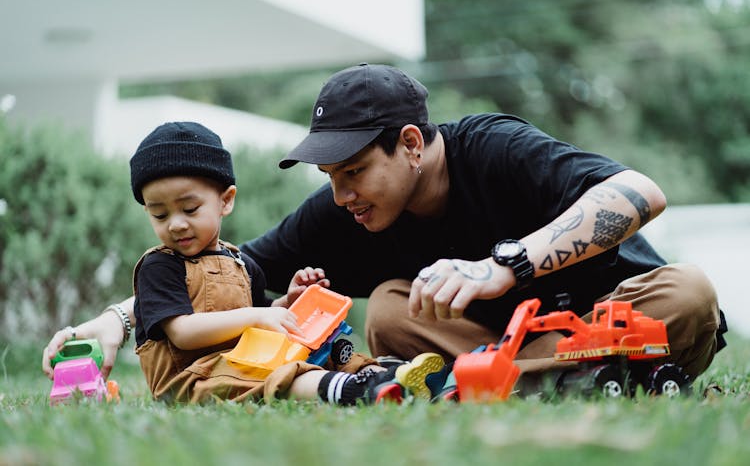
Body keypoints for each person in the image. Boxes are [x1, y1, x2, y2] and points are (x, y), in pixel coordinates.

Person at [44, 64, 726, 395]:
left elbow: (641, 190)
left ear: (408, 143)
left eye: (351, 172)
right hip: (489, 344)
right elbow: (234, 269)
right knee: (393, 309)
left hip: (605, 323)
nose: (340, 194)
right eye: (328, 177)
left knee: (689, 292)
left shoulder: (493, 147)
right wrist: (113, 319)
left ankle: (517, 382)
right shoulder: (347, 208)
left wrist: (504, 266)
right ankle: (548, 386)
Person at [50, 120, 443, 405]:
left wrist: (284, 306)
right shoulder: (160, 267)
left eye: (189, 207)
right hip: (194, 378)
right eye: (159, 214)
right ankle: (347, 390)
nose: (176, 223)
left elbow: (255, 316)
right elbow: (184, 332)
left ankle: (381, 372)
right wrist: (257, 319)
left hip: (244, 358)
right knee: (274, 376)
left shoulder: (242, 263)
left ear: (226, 200)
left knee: (322, 343)